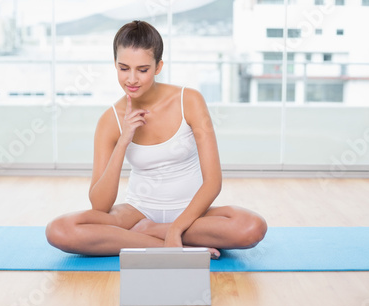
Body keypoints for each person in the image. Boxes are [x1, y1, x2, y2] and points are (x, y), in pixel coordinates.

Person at [45, 20, 267, 259]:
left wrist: (176, 227)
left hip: (193, 215)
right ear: (115, 65)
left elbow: (213, 182)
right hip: (137, 213)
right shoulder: (110, 121)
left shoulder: (189, 100)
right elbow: (99, 205)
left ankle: (155, 233)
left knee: (251, 227)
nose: (131, 79)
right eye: (123, 68)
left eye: (142, 69)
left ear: (158, 66)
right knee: (59, 230)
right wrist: (124, 140)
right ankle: (166, 245)